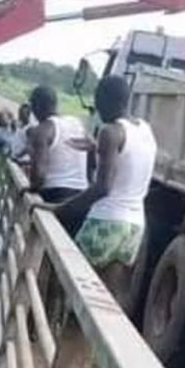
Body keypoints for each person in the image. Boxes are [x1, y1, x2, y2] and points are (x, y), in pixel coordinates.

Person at [54, 75, 156, 296]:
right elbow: (130, 159)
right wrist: (96, 147)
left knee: (66, 286)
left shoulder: (110, 132)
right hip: (134, 228)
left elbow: (102, 188)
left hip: (106, 222)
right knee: (104, 298)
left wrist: (60, 210)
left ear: (101, 102)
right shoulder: (145, 129)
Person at [25, 85, 89, 234]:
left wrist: (30, 188)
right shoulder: (77, 123)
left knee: (46, 249)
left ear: (37, 106)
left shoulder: (43, 130)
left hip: (55, 196)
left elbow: (39, 177)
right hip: (80, 198)